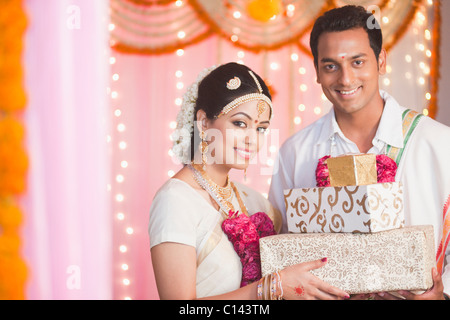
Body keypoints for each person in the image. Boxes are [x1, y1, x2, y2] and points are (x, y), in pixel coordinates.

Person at [269, 5, 450, 300]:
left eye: (357, 62)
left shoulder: (438, 143)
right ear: (316, 71)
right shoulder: (295, 152)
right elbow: (281, 246)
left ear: (381, 61)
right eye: (330, 66)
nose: (345, 79)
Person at [148, 62, 350, 300]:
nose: (252, 140)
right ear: (203, 122)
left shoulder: (256, 203)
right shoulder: (176, 200)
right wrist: (270, 288)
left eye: (261, 128)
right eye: (240, 123)